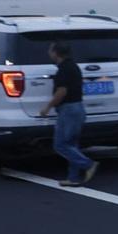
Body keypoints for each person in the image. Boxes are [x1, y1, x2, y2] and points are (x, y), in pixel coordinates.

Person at [38, 41, 97, 187]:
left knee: (61, 145)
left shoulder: (63, 69)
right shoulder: (74, 67)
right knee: (72, 145)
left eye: (50, 50)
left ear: (56, 53)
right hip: (77, 108)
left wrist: (48, 107)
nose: (49, 53)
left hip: (68, 110)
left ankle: (88, 164)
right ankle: (73, 178)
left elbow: (62, 91)